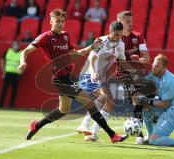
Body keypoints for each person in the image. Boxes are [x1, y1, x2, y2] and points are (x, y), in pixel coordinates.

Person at [17, 9, 127, 143]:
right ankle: (112, 135)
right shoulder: (45, 37)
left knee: (63, 110)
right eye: (57, 21)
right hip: (59, 79)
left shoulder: (65, 36)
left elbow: (76, 53)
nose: (60, 24)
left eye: (62, 21)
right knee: (89, 102)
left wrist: (91, 47)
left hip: (68, 77)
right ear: (51, 21)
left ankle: (36, 125)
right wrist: (22, 62)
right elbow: (26, 51)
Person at [76, 21, 126, 141]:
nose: (117, 37)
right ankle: (84, 124)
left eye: (120, 35)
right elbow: (92, 57)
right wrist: (93, 72)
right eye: (115, 34)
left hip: (101, 77)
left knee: (109, 102)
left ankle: (93, 133)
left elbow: (122, 61)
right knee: (104, 97)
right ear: (110, 32)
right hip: (89, 73)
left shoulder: (121, 45)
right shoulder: (101, 41)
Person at [117, 10, 150, 144]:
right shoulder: (116, 39)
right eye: (127, 22)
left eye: (131, 21)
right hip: (125, 75)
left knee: (144, 105)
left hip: (139, 75)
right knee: (137, 99)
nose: (130, 24)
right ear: (120, 22)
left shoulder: (138, 36)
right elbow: (120, 62)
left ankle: (147, 134)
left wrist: (139, 60)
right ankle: (139, 135)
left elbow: (147, 57)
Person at [0, 41, 22, 107]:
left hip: (16, 74)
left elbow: (25, 64)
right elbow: (2, 61)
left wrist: (21, 72)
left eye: (17, 44)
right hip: (7, 73)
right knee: (4, 89)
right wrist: (3, 72)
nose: (16, 46)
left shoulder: (21, 53)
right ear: (12, 45)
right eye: (14, 44)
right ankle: (0, 104)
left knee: (14, 90)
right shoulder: (8, 51)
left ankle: (12, 105)